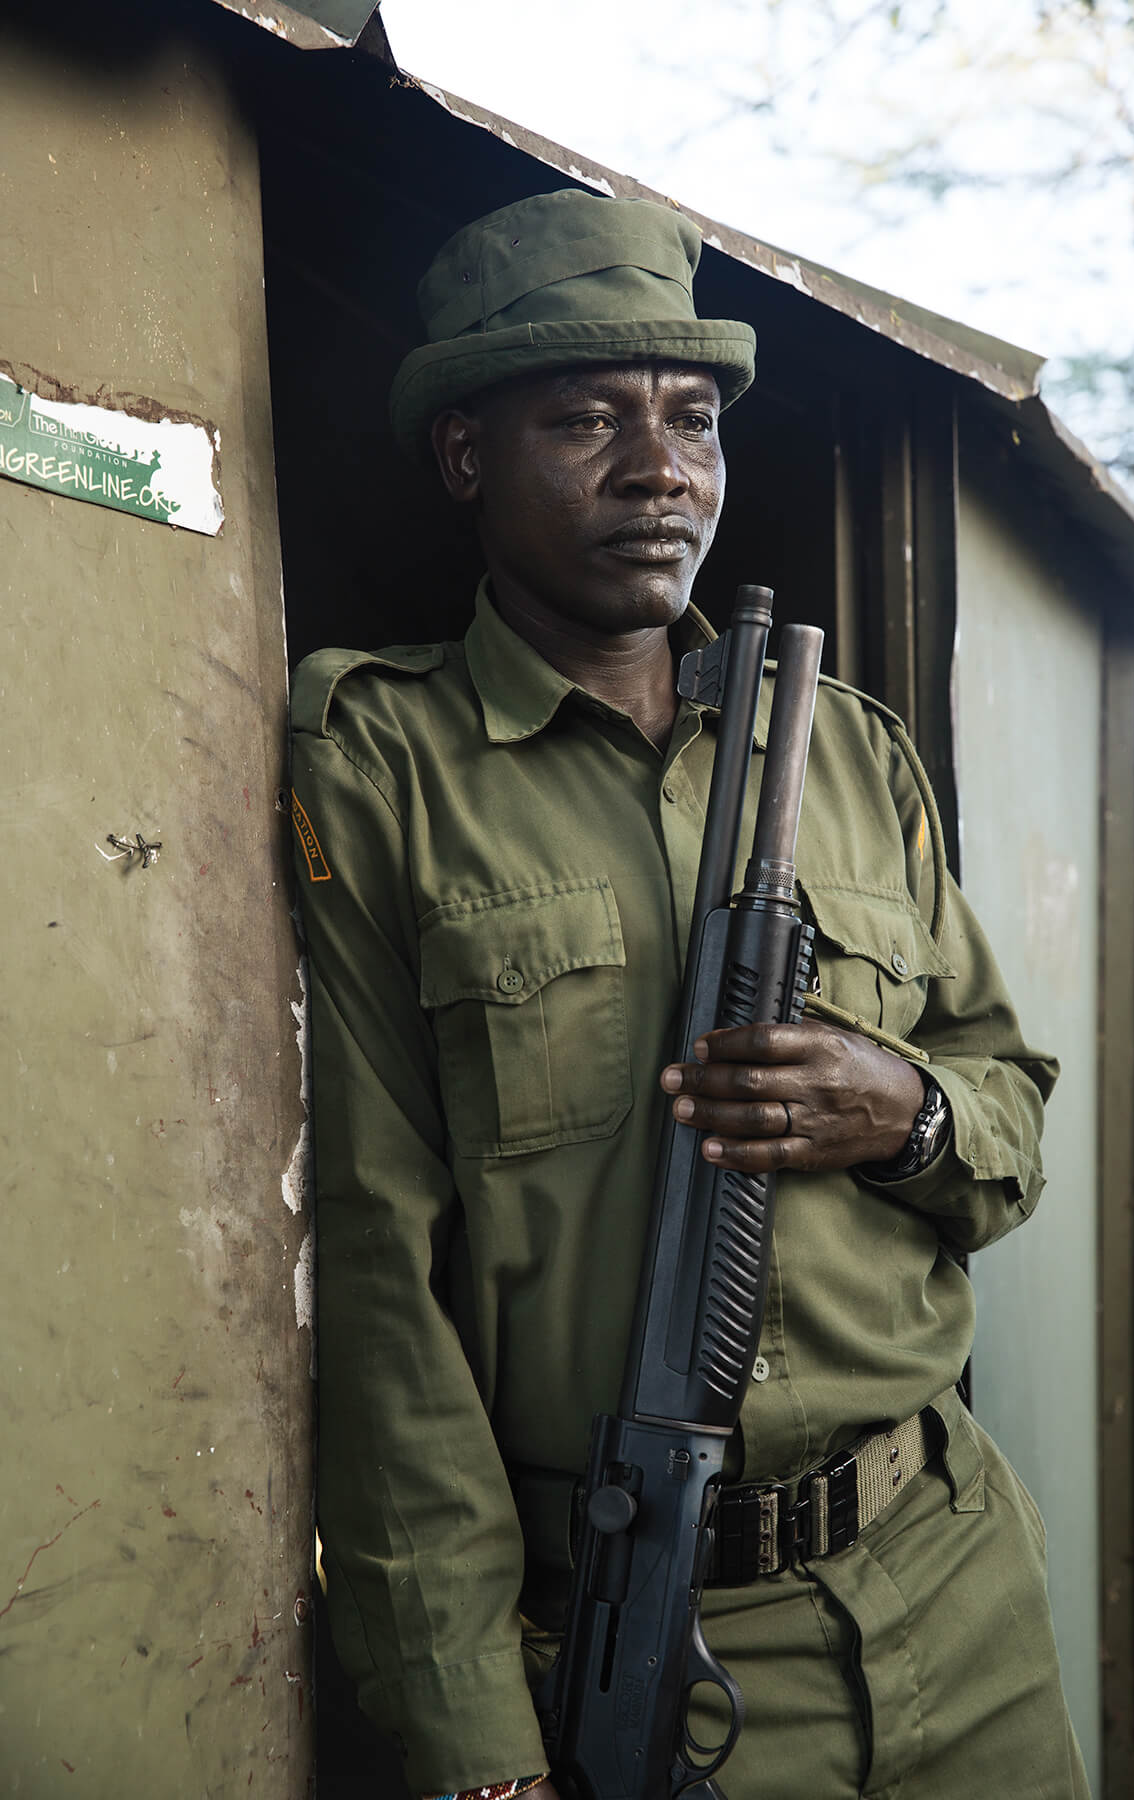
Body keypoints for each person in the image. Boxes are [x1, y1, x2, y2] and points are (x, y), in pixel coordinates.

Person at [290, 187, 1089, 1800]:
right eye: (585, 418)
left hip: (955, 1581)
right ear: (465, 457)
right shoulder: (380, 765)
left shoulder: (849, 751)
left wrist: (903, 1109)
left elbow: (1008, 1114)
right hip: (629, 1618)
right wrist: (470, 1728)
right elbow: (382, 1280)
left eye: (693, 418)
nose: (660, 471)